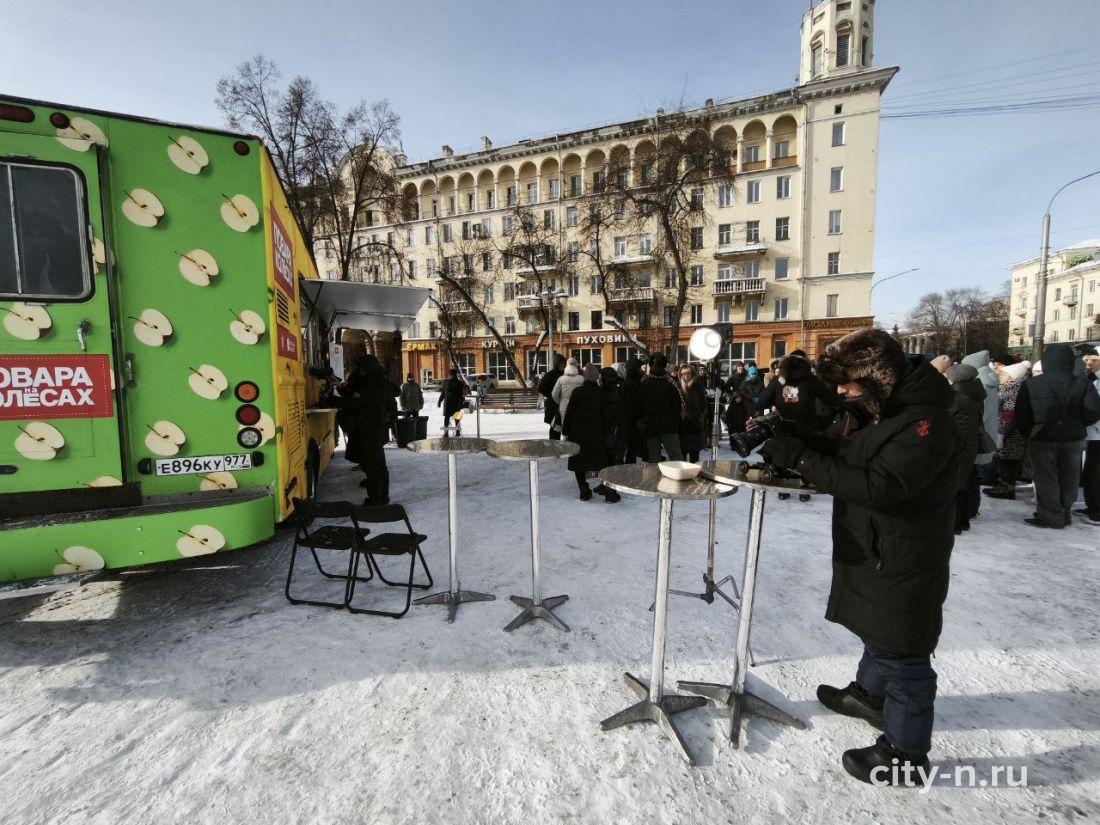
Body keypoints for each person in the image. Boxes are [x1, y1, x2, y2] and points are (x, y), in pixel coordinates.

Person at [759, 328, 963, 787]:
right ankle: (870, 696)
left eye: (847, 383)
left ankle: (905, 755)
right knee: (879, 628)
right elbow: (860, 452)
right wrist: (806, 440)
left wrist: (803, 460)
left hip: (904, 552)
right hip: (881, 547)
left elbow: (879, 485)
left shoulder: (927, 424)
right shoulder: (894, 411)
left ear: (876, 378)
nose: (840, 392)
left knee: (902, 650)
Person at [1013, 343, 1100, 528]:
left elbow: (1021, 414)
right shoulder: (1083, 383)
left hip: (1042, 436)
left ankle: (1051, 515)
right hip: (1073, 437)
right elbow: (1094, 411)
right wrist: (1077, 424)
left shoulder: (1032, 384)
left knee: (1045, 476)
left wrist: (1028, 432)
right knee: (1070, 477)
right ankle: (1064, 512)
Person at [338, 354, 394, 505]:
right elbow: (357, 397)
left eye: (361, 368)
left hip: (370, 430)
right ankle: (381, 495)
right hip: (373, 429)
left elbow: (358, 402)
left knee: (373, 465)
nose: (359, 371)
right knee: (376, 464)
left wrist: (334, 400)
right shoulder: (374, 380)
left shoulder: (373, 383)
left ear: (368, 368)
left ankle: (376, 498)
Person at [562, 364, 621, 502]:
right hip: (597, 437)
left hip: (578, 436)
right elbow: (607, 418)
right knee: (601, 464)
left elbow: (569, 413)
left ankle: (583, 489)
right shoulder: (601, 394)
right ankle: (609, 492)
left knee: (579, 463)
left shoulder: (577, 392)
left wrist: (565, 431)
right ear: (596, 378)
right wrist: (608, 433)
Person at [759, 354, 845, 437]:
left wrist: (776, 404)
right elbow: (832, 401)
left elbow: (763, 401)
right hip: (809, 430)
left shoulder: (777, 380)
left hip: (784, 429)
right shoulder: (811, 380)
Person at [945, 363, 985, 533]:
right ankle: (964, 518)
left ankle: (956, 523)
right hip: (970, 443)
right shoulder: (975, 393)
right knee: (965, 482)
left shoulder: (957, 397)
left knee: (955, 484)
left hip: (957, 444)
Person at [984, 361, 1031, 499]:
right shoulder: (1010, 388)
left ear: (1012, 377)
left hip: (1011, 434)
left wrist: (1001, 433)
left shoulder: (1012, 390)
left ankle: (1006, 489)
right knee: (1006, 461)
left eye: (1004, 374)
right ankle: (1003, 486)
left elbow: (1009, 414)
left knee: (1008, 462)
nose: (1000, 376)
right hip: (1010, 432)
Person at [961, 350, 1001, 497]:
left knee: (972, 471)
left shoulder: (979, 383)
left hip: (979, 428)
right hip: (987, 427)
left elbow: (980, 410)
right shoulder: (989, 380)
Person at [638, 353, 684, 461]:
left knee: (654, 458)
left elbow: (639, 407)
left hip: (650, 426)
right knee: (676, 458)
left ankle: (655, 473)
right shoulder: (671, 384)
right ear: (664, 366)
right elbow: (678, 407)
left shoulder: (644, 384)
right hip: (669, 426)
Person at [1078, 353, 1100, 525]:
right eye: (1086, 360)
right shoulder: (1092, 379)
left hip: (1097, 432)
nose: (1089, 363)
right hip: (1092, 433)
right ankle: (1092, 505)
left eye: (1094, 360)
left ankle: (1097, 510)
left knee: (1096, 472)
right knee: (1090, 470)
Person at [677, 363, 708, 462]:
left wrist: (699, 419)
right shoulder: (677, 386)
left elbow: (704, 405)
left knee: (694, 457)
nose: (686, 376)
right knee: (681, 457)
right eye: (684, 374)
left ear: (692, 374)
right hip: (682, 426)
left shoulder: (698, 386)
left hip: (695, 426)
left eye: (688, 373)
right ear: (681, 375)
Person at [620, 358, 647, 463]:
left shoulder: (634, 382)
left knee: (632, 450)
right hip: (631, 423)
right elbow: (632, 406)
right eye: (640, 368)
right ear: (634, 369)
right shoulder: (630, 384)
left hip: (633, 422)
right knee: (631, 450)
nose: (642, 371)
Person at [600, 366, 626, 466]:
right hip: (617, 431)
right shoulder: (619, 391)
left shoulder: (603, 392)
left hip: (611, 431)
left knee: (610, 460)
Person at [538, 354, 566, 440]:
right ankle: (554, 446)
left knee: (559, 430)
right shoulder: (550, 375)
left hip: (560, 405)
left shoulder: (564, 374)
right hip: (554, 407)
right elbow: (541, 388)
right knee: (555, 431)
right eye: (563, 364)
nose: (564, 366)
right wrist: (552, 396)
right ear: (558, 364)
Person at [551, 357, 585, 424]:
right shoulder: (582, 379)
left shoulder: (561, 379)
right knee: (577, 426)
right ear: (576, 365)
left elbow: (554, 394)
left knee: (565, 426)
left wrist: (560, 402)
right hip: (578, 406)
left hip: (564, 406)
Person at [438, 368, 468, 432]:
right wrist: (439, 401)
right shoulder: (449, 383)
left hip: (453, 404)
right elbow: (443, 393)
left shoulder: (457, 383)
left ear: (453, 375)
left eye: (450, 375)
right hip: (451, 404)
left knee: (452, 418)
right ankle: (450, 432)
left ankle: (453, 432)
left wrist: (462, 402)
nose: (449, 376)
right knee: (450, 418)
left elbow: (462, 394)